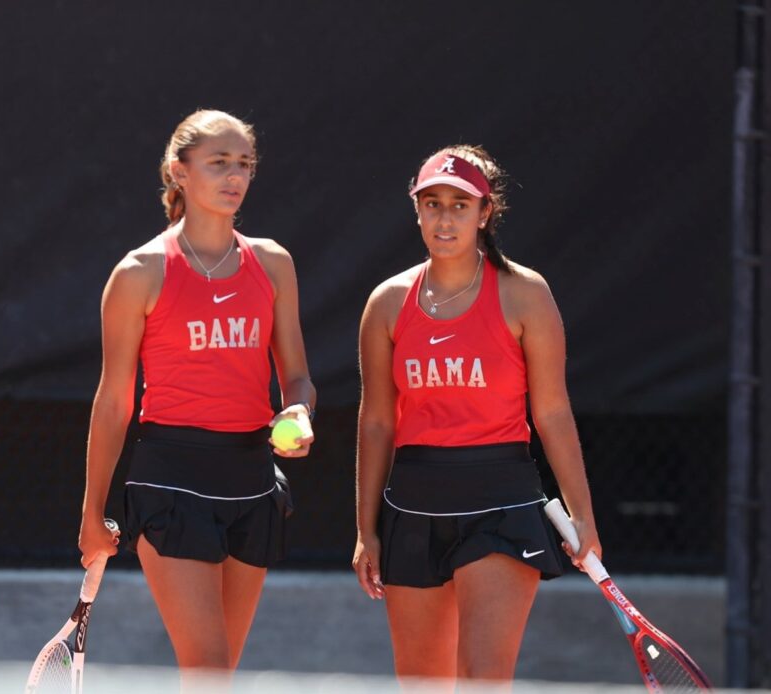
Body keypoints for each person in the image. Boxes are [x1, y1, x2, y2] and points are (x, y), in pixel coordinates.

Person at [78, 109, 316, 681]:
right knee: (207, 667)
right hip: (170, 479)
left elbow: (298, 376)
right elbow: (114, 401)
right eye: (218, 163)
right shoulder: (140, 272)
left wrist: (300, 410)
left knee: (216, 676)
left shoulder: (274, 263)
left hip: (253, 479)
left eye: (244, 164)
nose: (234, 176)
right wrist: (92, 513)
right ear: (178, 172)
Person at [352, 145, 601, 685]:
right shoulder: (388, 303)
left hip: (502, 504)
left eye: (460, 205)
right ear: (416, 210)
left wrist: (582, 514)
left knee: (484, 678)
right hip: (412, 506)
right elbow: (376, 422)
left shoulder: (525, 294)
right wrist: (365, 529)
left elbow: (553, 411)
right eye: (433, 204)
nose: (445, 218)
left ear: (485, 212)